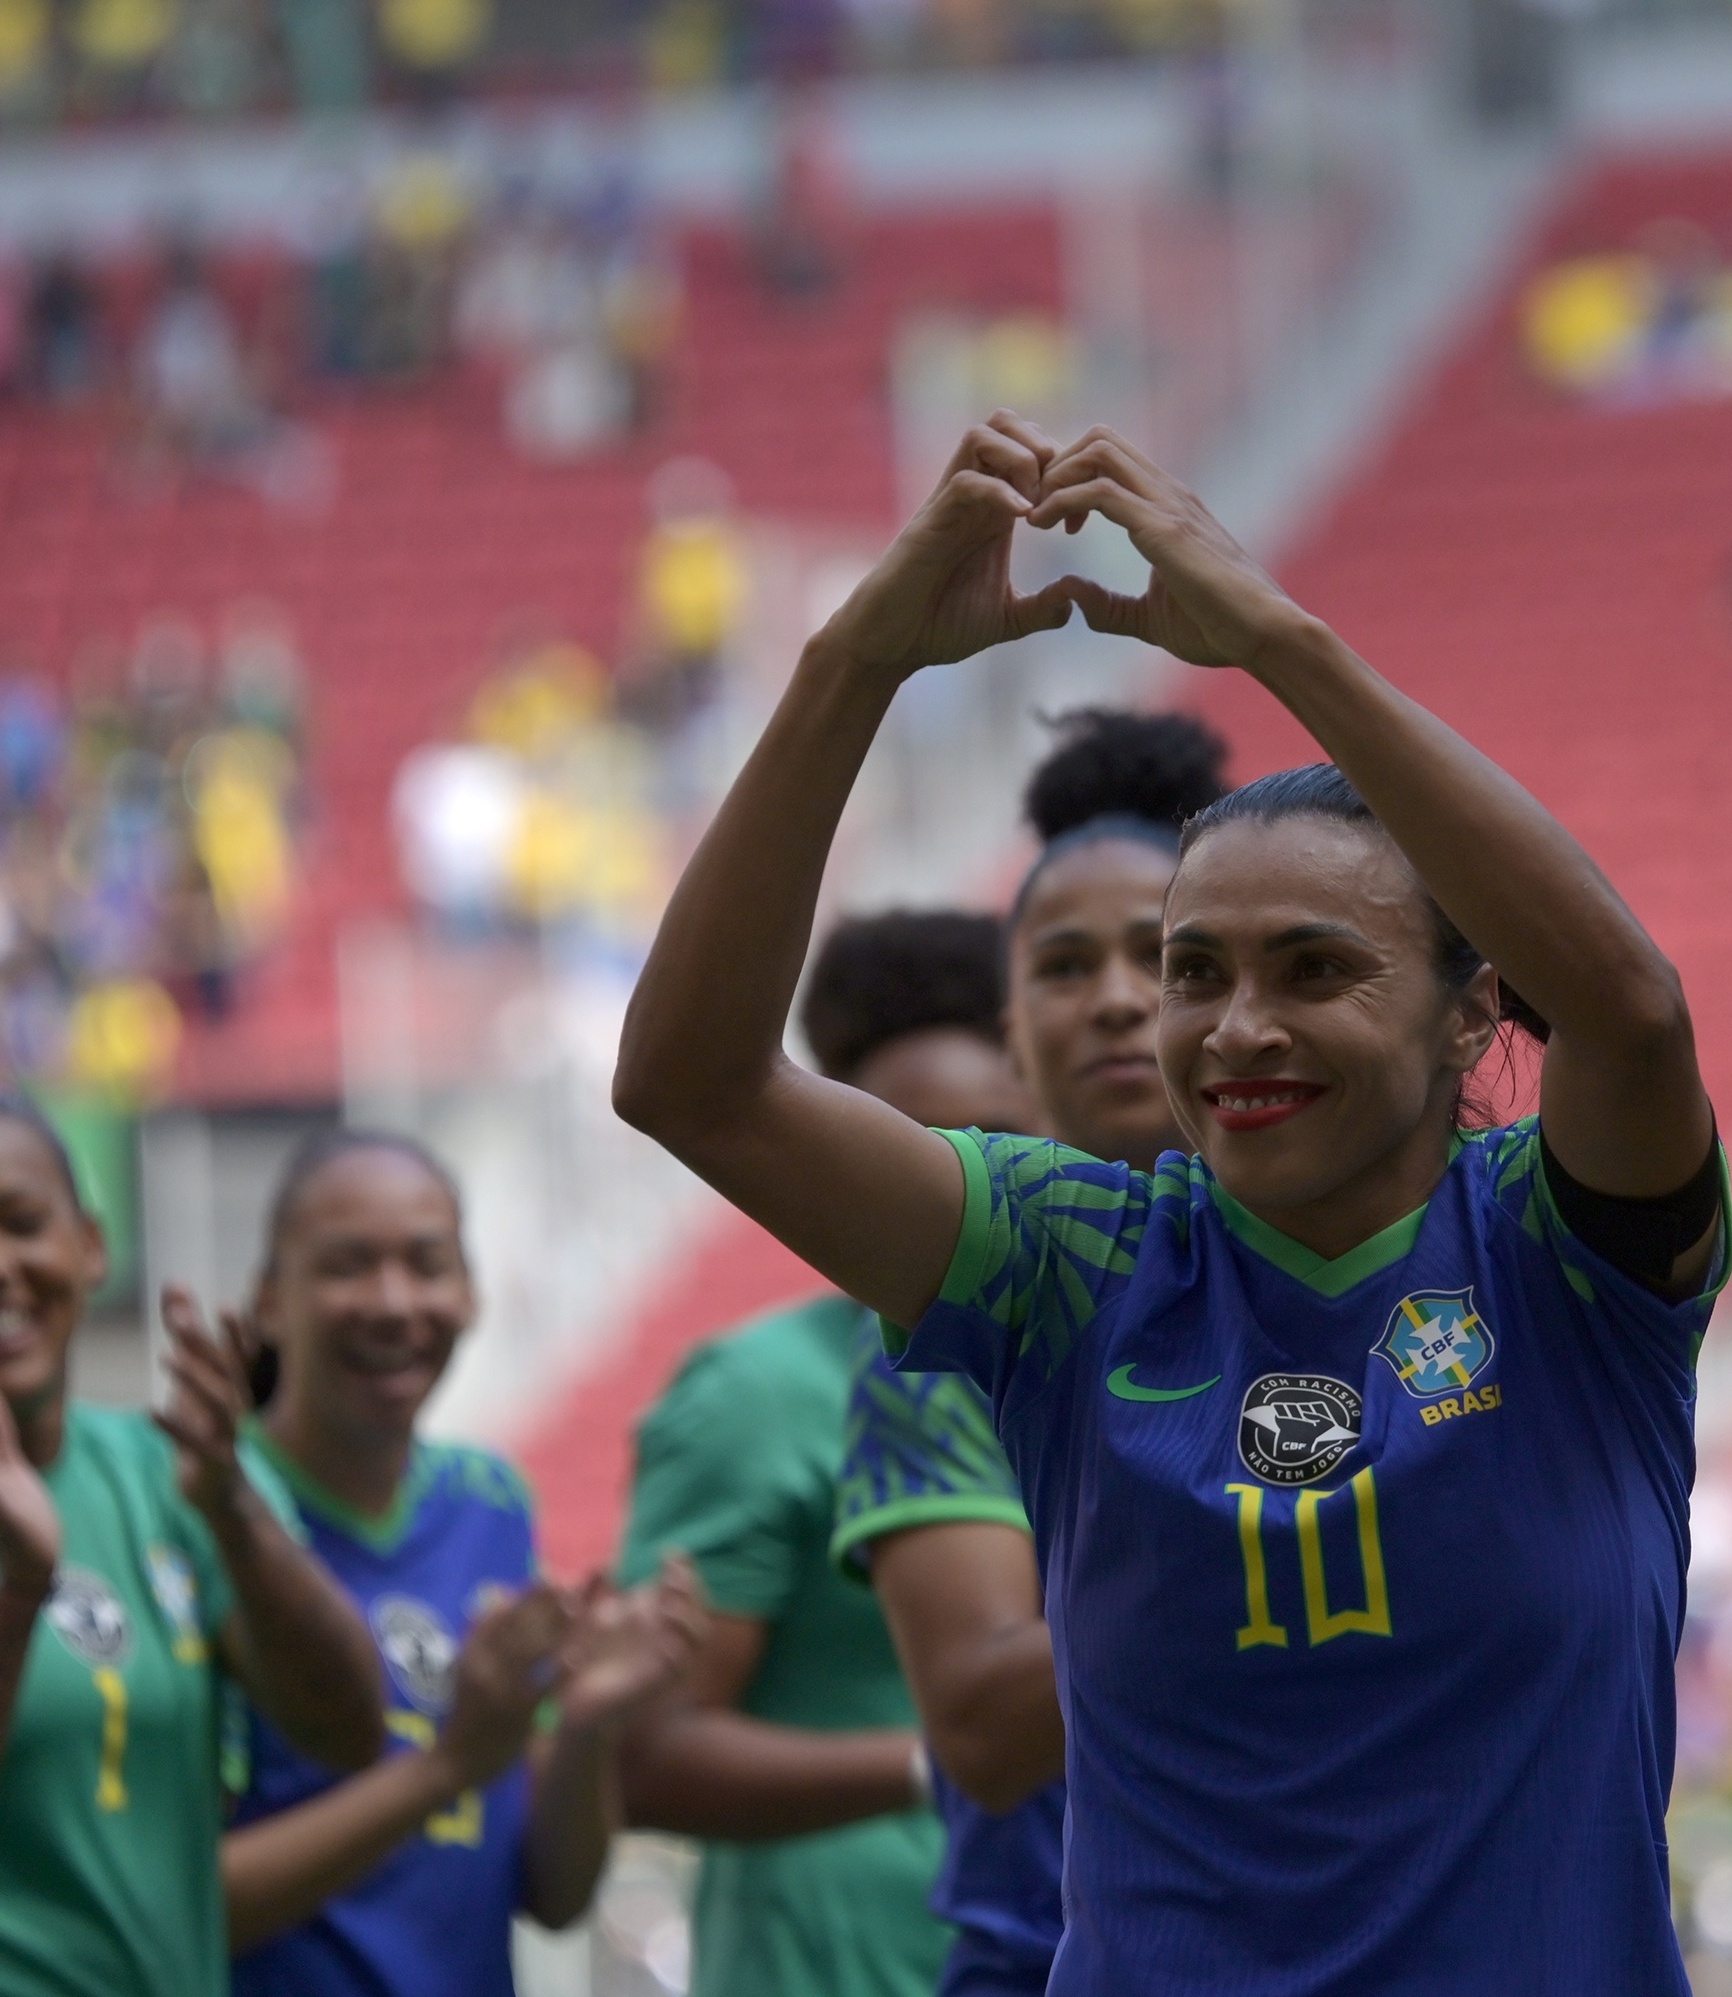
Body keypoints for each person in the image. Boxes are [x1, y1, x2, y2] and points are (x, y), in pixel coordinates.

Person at [615, 413, 1729, 1994]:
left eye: (1317, 969)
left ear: (1473, 1016)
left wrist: (1275, 637)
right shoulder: (1069, 1258)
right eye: (1191, 972)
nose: (1236, 1026)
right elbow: (692, 1083)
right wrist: (853, 659)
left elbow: (1629, 1010)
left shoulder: (1564, 1256)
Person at [832, 707, 1228, 1996]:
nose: (1118, 997)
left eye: (1162, 956)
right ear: (1010, 1032)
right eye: (1064, 964)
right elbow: (989, 1728)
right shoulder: (941, 1346)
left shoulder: (1385, 1272)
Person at [613, 908, 1038, 1997]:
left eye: (995, 1133)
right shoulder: (753, 1393)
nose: (955, 1173)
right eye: (907, 1137)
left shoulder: (1095, 1361)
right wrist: (942, 1757)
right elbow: (643, 1752)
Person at [224, 1129, 708, 1997]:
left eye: (427, 1262)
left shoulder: (488, 1503)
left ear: (475, 1294)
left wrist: (586, 1728)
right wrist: (445, 1764)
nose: (394, 1300)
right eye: (347, 1265)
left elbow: (551, 1895)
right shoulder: (214, 1513)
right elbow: (183, 1901)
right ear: (268, 1299)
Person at [0, 1096, 386, 1997]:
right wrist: (21, 1589)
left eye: (23, 1224)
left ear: (91, 1247)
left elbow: (346, 1729)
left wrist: (232, 1510)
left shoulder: (163, 1470)